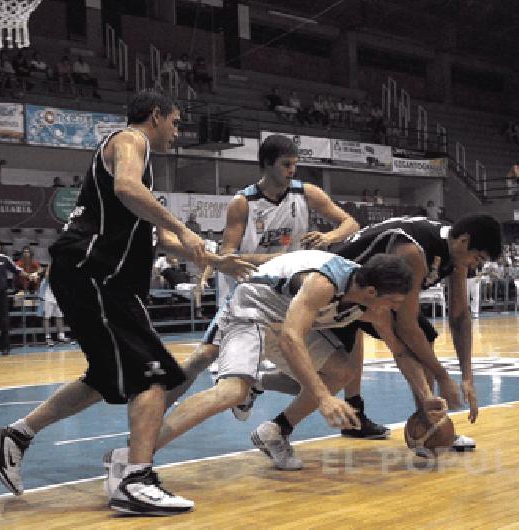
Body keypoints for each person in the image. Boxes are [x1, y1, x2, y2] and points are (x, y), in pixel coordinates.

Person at [0, 90, 256, 516]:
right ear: (156, 116)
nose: (178, 134)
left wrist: (217, 260)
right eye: (176, 123)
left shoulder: (140, 168)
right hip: (95, 273)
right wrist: (185, 227)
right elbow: (128, 189)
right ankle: (134, 479)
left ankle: (14, 436)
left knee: (107, 377)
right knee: (152, 376)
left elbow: (159, 238)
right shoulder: (131, 140)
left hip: (99, 279)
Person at [118, 251, 420, 473]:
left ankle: (275, 430)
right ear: (371, 292)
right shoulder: (323, 282)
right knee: (231, 390)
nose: (394, 309)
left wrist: (428, 398)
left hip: (285, 323)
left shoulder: (372, 304)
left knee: (341, 371)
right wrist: (323, 398)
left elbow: (400, 351)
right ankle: (135, 456)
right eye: (393, 302)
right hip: (254, 308)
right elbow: (291, 338)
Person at [163, 134, 386, 435]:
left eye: (295, 164)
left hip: (295, 292)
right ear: (267, 165)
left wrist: (329, 238)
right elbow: (228, 254)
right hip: (252, 290)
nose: (292, 170)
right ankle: (156, 407)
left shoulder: (307, 193)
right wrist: (279, 259)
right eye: (286, 165)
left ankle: (324, 408)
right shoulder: (243, 203)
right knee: (205, 355)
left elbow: (350, 223)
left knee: (329, 365)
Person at [254, 214, 502, 450]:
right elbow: (406, 326)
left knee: (336, 374)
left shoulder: (456, 255)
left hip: (369, 297)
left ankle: (431, 426)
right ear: (464, 241)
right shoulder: (414, 251)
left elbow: (459, 316)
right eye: (478, 258)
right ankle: (430, 426)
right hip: (340, 292)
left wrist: (467, 377)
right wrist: (444, 376)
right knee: (326, 375)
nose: (476, 265)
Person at [36, 265, 71, 346]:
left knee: (59, 317)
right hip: (47, 298)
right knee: (46, 318)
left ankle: (61, 336)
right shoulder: (46, 276)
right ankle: (48, 337)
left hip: (57, 298)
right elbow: (47, 275)